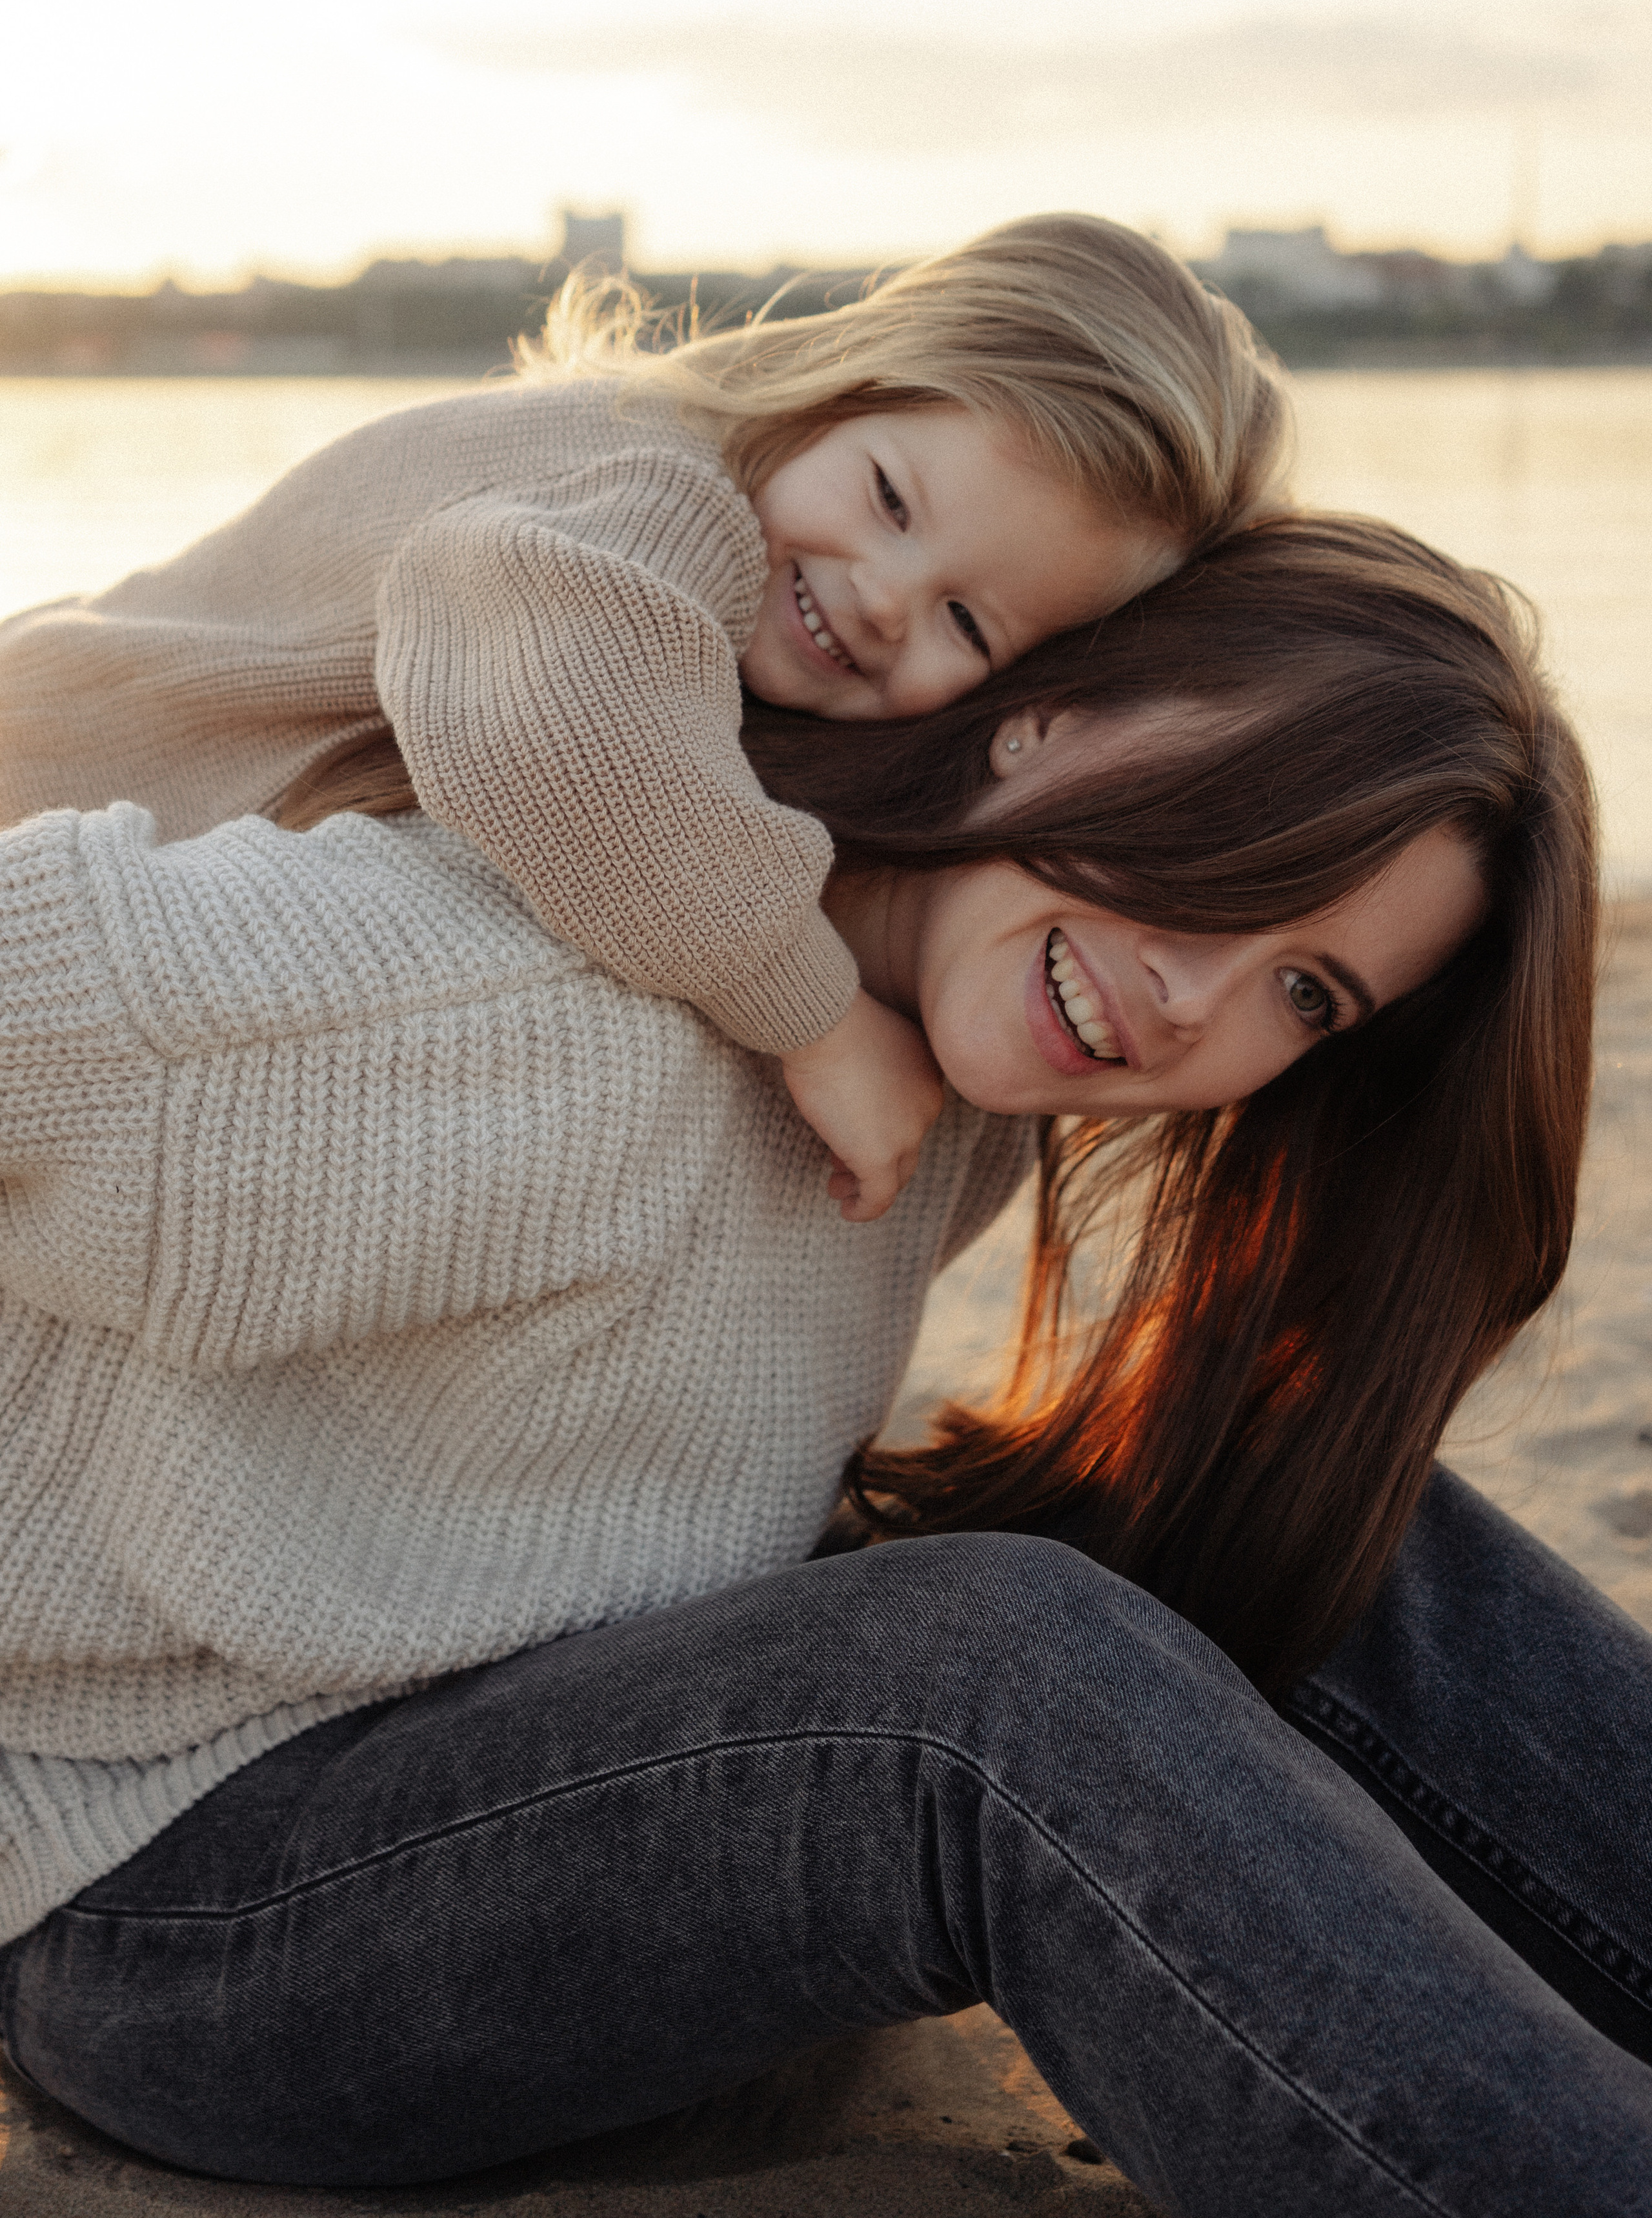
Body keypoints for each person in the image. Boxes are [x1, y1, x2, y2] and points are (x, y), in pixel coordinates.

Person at [3, 516, 1649, 2215]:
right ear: (1051, 707)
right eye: (1231, 850)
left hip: (529, 1743)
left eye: (1305, 991)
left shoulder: (960, 1052)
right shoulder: (472, 997)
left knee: (1298, 1523)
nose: (1190, 994)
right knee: (995, 1680)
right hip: (179, 1902)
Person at [0, 214, 1287, 1223]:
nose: (889, 603)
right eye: (890, 498)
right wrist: (816, 1012)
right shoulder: (659, 495)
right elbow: (556, 744)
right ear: (839, 383)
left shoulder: (696, 493)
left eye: (970, 626)